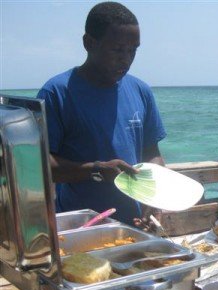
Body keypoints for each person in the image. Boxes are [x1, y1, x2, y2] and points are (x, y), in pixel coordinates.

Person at [37, 1, 166, 227]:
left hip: (134, 225)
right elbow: (41, 164)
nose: (126, 59)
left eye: (133, 50)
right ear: (89, 43)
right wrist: (96, 170)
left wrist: (154, 198)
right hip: (80, 228)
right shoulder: (56, 93)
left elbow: (152, 154)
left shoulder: (141, 91)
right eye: (117, 49)